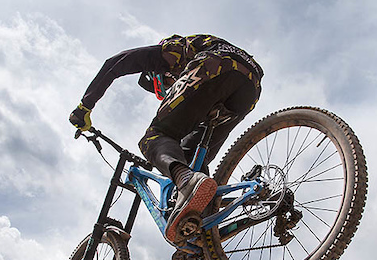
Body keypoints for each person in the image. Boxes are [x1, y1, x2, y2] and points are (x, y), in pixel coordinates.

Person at [69, 34, 263, 246]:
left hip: (214, 66)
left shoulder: (170, 51)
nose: (170, 89)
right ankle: (229, 212)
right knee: (191, 158)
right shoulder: (207, 46)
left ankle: (185, 180)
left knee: (154, 137)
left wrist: (84, 107)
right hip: (250, 88)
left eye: (164, 86)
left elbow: (115, 63)